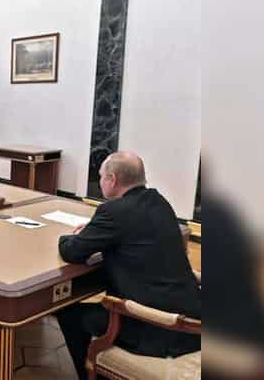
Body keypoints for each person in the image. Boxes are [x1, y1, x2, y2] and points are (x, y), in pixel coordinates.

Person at [55, 151, 200, 380]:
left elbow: (71, 251)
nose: (100, 181)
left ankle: (91, 374)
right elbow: (132, 231)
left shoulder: (113, 212)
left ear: (112, 179)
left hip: (156, 326)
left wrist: (69, 237)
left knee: (68, 313)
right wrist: (96, 229)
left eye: (101, 176)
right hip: (190, 315)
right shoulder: (159, 202)